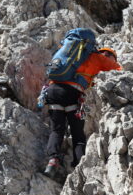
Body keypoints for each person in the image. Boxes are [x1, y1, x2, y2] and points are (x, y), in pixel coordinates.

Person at [43, 46, 121, 180]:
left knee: (56, 130)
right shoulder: (99, 57)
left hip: (52, 91)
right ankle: (79, 167)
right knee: (78, 134)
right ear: (107, 54)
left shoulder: (72, 55)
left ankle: (52, 161)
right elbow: (119, 70)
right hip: (74, 94)